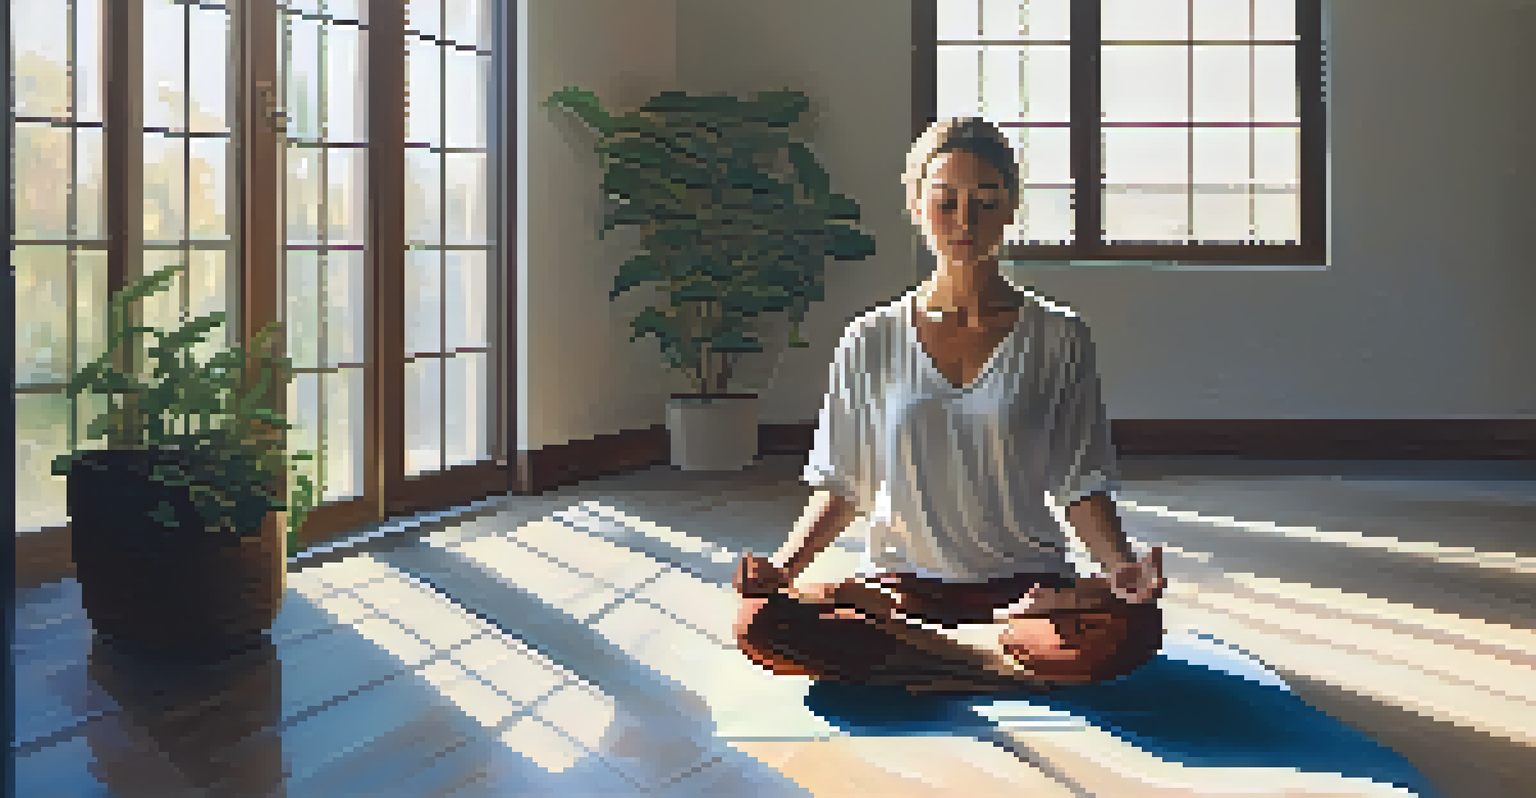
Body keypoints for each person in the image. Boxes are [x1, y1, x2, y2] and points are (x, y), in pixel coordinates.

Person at [732, 117, 1166, 693]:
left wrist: (1119, 570)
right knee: (759, 623)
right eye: (947, 201)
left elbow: (1081, 484)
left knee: (1133, 627)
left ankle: (920, 655)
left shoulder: (1061, 337)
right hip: (901, 586)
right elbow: (841, 488)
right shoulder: (870, 339)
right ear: (916, 205)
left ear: (1010, 209)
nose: (965, 221)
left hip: (1027, 591)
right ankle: (988, 662)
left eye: (986, 203)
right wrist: (781, 568)